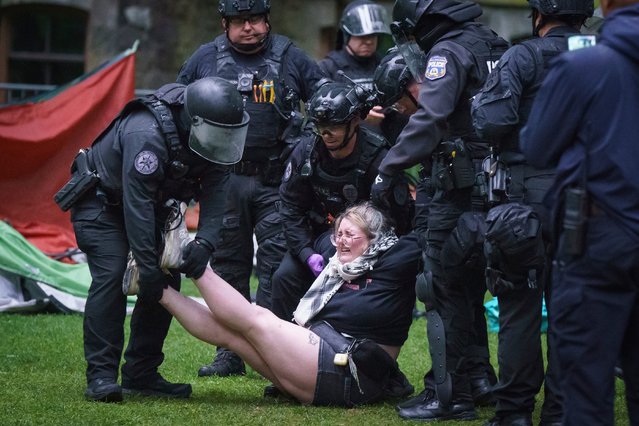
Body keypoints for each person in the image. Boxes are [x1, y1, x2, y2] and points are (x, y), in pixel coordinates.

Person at [59, 77, 248, 402]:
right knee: (114, 274)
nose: (223, 140)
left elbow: (218, 192)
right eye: (217, 133)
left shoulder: (213, 139)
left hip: (149, 207)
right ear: (195, 122)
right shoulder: (146, 133)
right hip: (101, 204)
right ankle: (101, 377)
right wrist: (146, 266)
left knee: (166, 279)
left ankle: (141, 374)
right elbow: (138, 205)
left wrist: (205, 243)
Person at [370, 0, 509, 421]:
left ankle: (448, 396)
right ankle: (481, 378)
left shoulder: (446, 53)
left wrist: (387, 167)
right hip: (502, 186)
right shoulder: (496, 44)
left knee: (441, 286)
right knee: (471, 287)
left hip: (458, 189)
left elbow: (431, 116)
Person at [176, 0, 324, 377]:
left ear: (266, 20)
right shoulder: (205, 58)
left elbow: (324, 99)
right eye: (240, 21)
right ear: (225, 23)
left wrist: (306, 143)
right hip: (223, 180)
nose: (249, 28)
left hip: (278, 182)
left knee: (276, 265)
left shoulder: (290, 56)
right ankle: (230, 353)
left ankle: (274, 348)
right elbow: (179, 104)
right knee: (227, 266)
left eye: (255, 20)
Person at [158, 202, 421, 407]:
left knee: (256, 319)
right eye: (338, 234)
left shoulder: (397, 258)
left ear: (373, 238)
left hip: (354, 375)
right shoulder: (337, 260)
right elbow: (302, 243)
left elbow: (427, 236)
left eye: (350, 235)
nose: (340, 241)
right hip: (322, 358)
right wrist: (307, 256)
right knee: (233, 335)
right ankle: (156, 288)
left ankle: (187, 259)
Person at [471, 1, 594, 424]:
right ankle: (560, 412)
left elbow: (490, 121)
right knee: (570, 312)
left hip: (523, 201)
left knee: (519, 310)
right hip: (586, 202)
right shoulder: (601, 54)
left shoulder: (522, 55)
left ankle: (515, 412)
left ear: (539, 14)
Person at [519, 0, 639, 424]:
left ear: (607, 6)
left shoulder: (585, 66)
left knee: (585, 384)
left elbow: (537, 146)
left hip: (598, 238)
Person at [271, 81, 413, 323]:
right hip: (316, 239)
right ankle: (282, 346)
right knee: (283, 277)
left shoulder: (379, 160)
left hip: (368, 249)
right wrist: (306, 253)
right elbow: (291, 207)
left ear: (356, 120)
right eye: (320, 126)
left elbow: (398, 223)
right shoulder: (306, 153)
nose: (326, 134)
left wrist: (358, 250)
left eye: (334, 126)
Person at [318, 0, 391, 128]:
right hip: (347, 142)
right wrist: (360, 115)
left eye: (373, 35)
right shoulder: (329, 67)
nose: (368, 41)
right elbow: (321, 114)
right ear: (348, 35)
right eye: (362, 36)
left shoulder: (386, 65)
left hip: (385, 141)